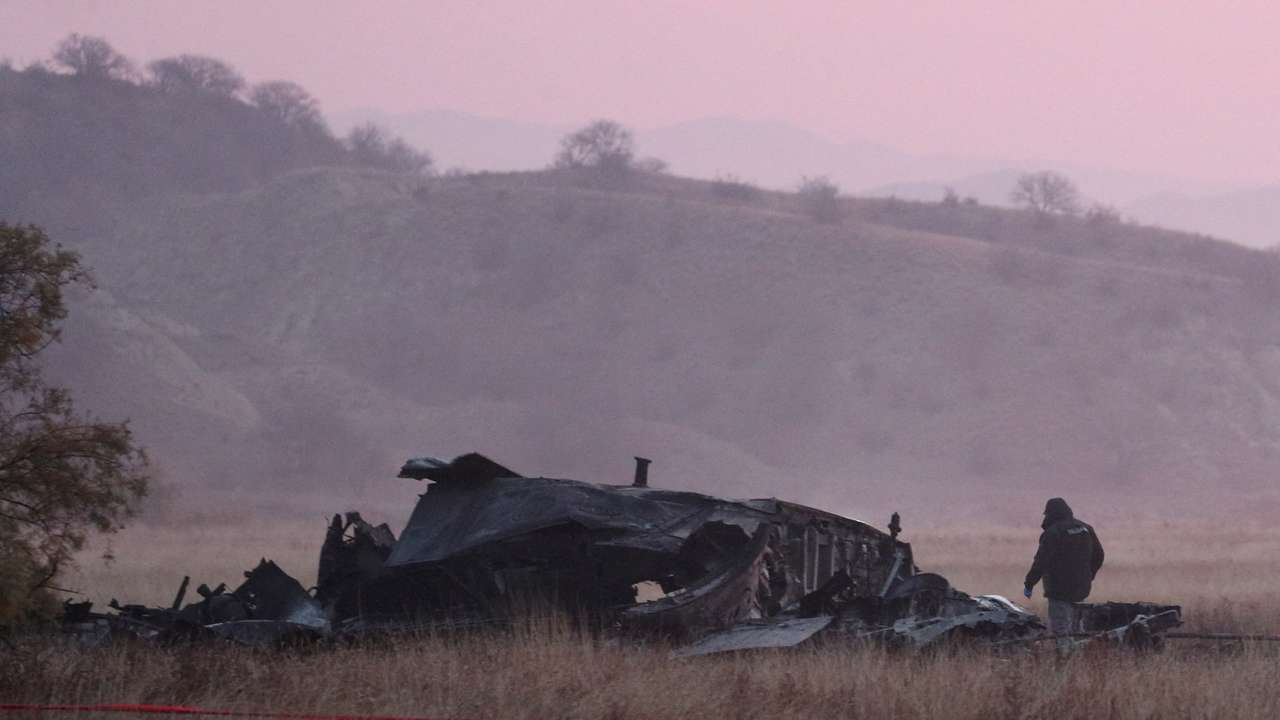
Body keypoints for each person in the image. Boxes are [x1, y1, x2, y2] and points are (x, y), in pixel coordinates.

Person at [1023, 497, 1105, 652]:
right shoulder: (1086, 528)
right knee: (1078, 630)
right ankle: (1079, 658)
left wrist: (1029, 583)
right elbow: (1099, 555)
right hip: (1081, 589)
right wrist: (1089, 575)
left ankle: (1065, 661)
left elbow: (1041, 561)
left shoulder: (1053, 532)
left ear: (1050, 514)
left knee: (1061, 631)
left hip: (1058, 591)